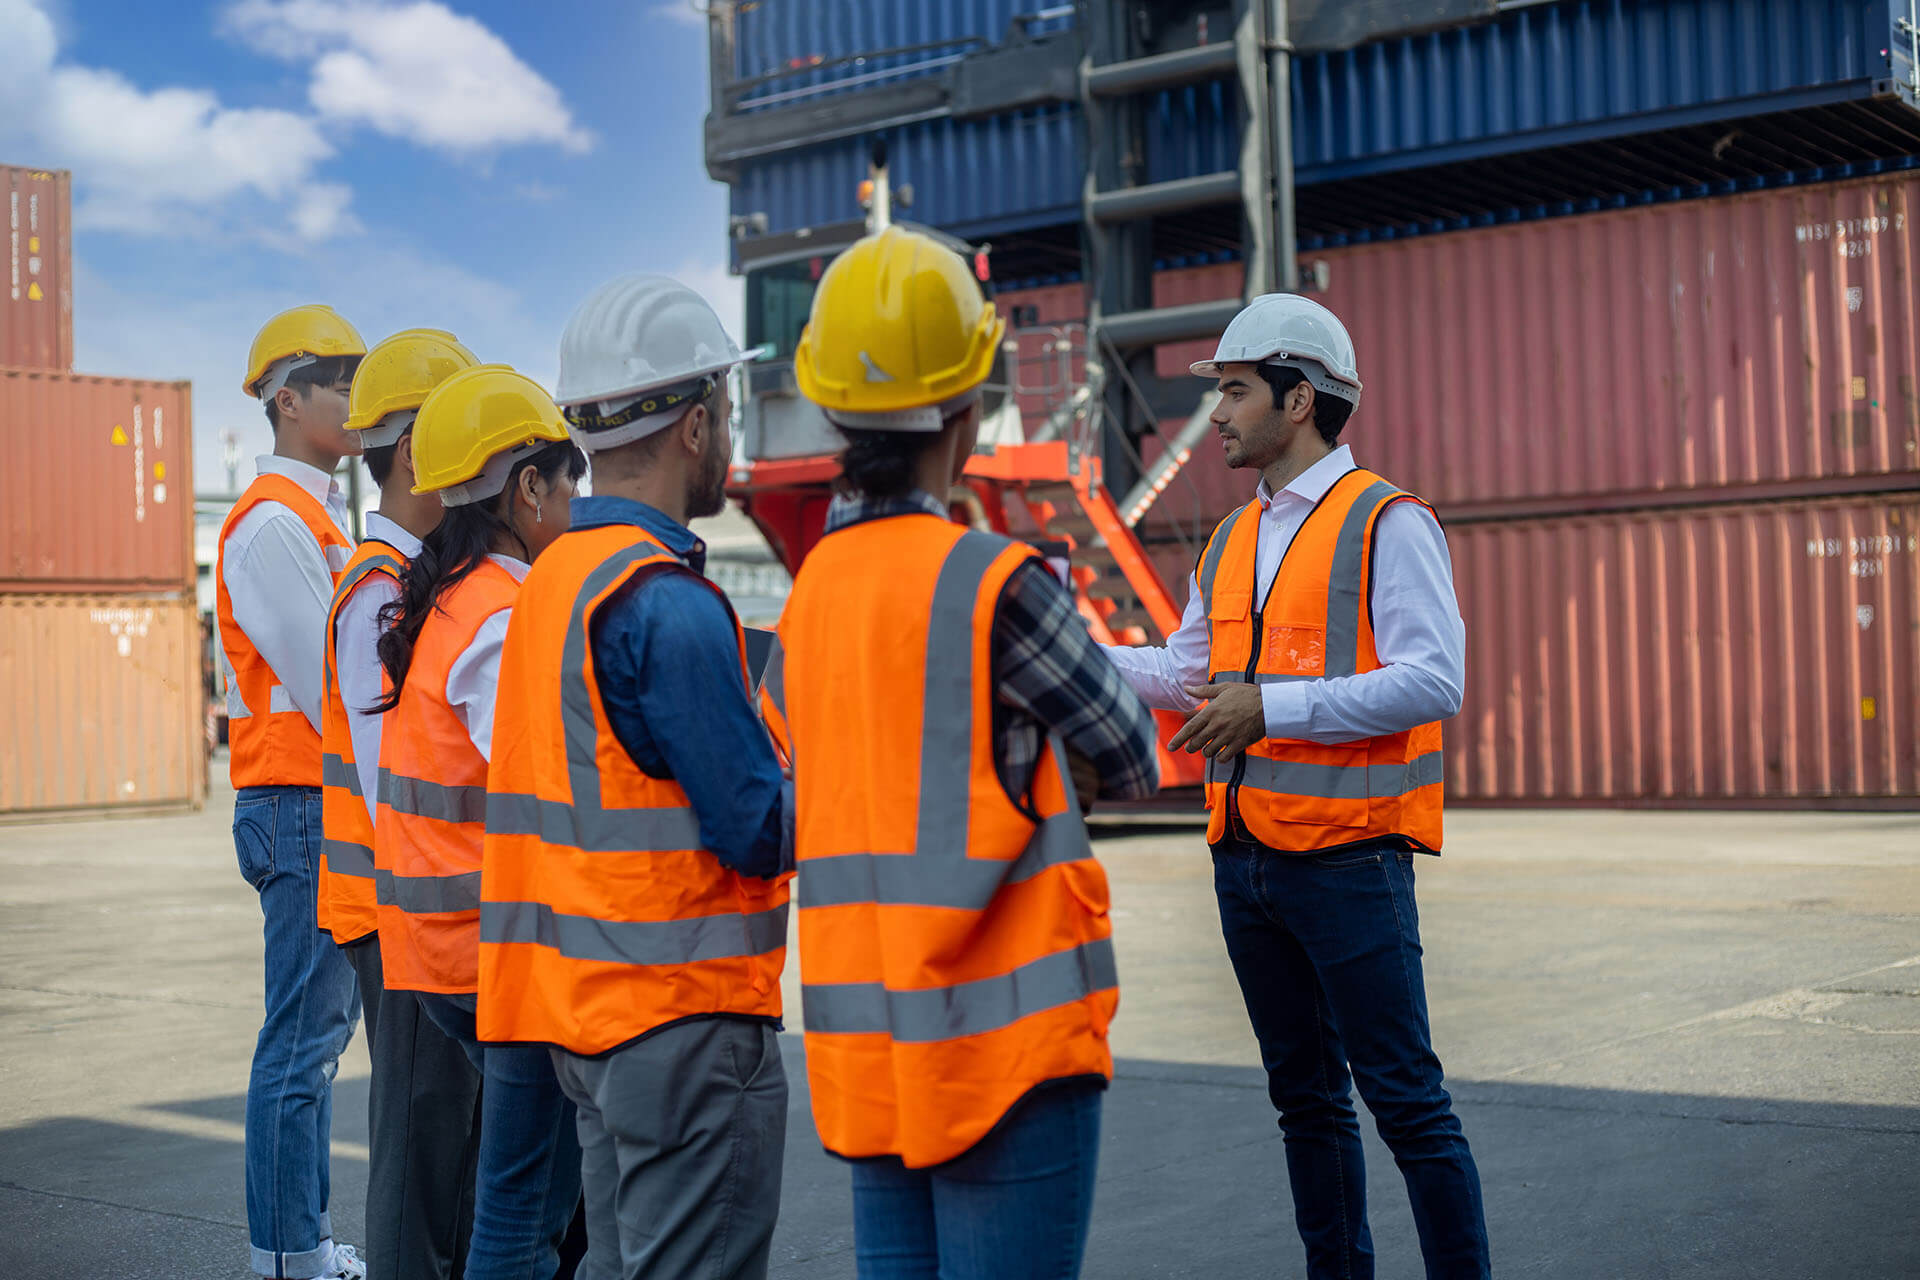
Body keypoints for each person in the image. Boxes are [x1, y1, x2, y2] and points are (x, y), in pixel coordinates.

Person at [764, 226, 1162, 1280]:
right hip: (1005, 1050)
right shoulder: (997, 579)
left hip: (870, 1049)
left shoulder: (809, 603)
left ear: (834, 412)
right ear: (969, 406)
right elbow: (1131, 756)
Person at [1101, 294, 1490, 1279]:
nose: (1218, 413)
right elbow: (1186, 673)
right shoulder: (1236, 537)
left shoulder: (1388, 522)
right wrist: (1062, 648)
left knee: (1405, 1099)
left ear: (1300, 398)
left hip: (1351, 860)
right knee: (1306, 1103)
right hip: (1247, 862)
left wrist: (1274, 708)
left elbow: (1435, 677)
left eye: (1234, 390)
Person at [476, 275, 790, 1280]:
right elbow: (758, 828)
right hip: (684, 1021)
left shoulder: (553, 579)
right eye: (729, 411)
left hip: (586, 1018)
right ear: (697, 423)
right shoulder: (668, 602)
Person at [371, 364, 587, 1280]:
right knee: (525, 1209)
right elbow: (548, 777)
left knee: (517, 1196)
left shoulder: (449, 598)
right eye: (568, 479)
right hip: (489, 955)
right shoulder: (502, 615)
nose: (579, 499)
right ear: (527, 488)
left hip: (441, 949)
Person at [319, 329, 484, 1280]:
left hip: (417, 906)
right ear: (421, 451)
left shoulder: (414, 582)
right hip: (397, 911)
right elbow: (397, 788)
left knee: (449, 1139)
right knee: (421, 1148)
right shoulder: (378, 593)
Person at [219, 304, 369, 1280]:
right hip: (298, 800)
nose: (360, 396)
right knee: (302, 1046)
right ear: (288, 398)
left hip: (316, 801)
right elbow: (332, 686)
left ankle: (303, 1240)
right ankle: (289, 1253)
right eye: (343, 378)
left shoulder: (318, 519)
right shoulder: (276, 522)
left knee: (315, 1041)